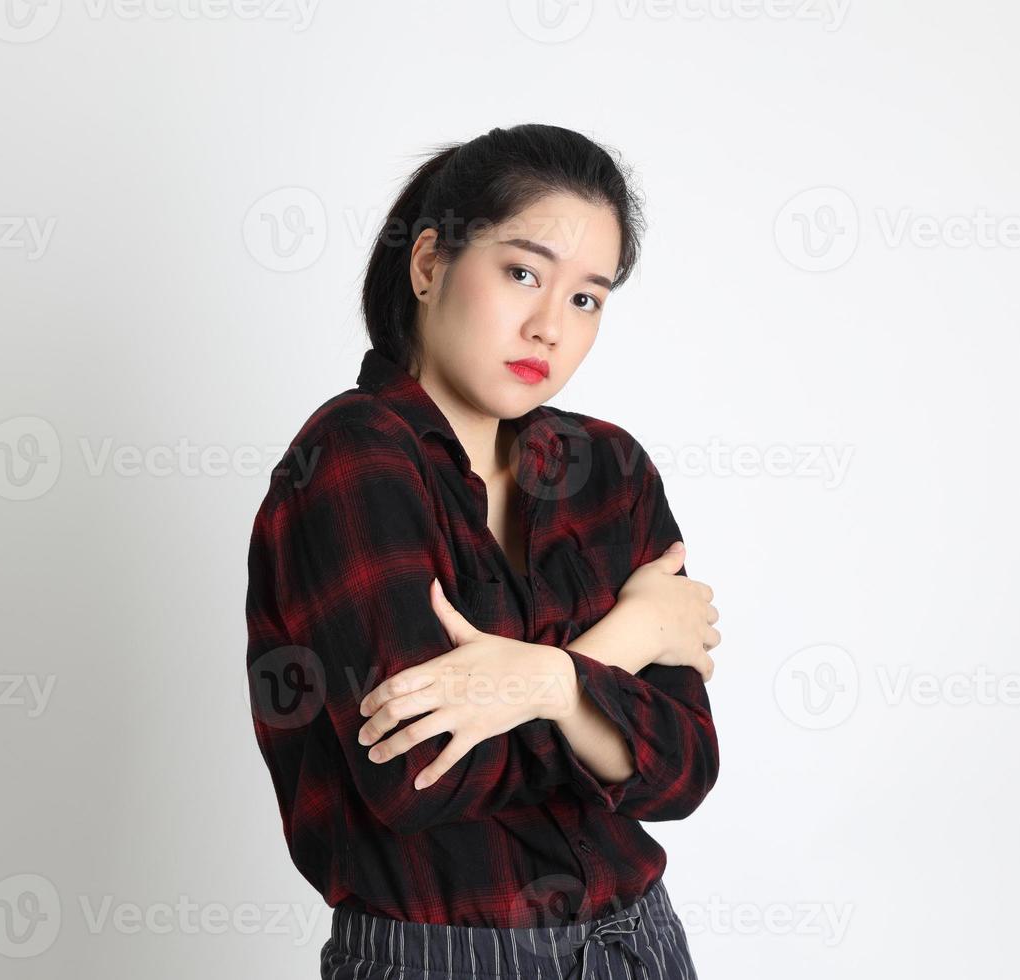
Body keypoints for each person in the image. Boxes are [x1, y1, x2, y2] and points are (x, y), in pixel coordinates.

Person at [245, 123, 722, 979]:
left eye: (587, 299)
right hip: (441, 959)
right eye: (522, 273)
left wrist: (528, 688)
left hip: (640, 945)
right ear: (428, 264)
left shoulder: (607, 468)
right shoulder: (351, 461)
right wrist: (613, 652)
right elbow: (422, 772)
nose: (550, 327)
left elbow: (683, 766)